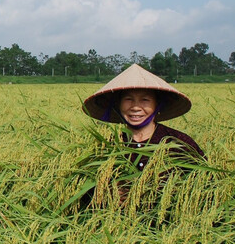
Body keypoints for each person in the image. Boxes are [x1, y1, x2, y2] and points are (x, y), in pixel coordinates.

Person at [82, 64, 204, 203]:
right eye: (128, 99)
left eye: (145, 100)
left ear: (157, 104)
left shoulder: (177, 142)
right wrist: (107, 193)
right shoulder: (108, 146)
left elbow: (206, 182)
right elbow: (84, 193)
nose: (135, 107)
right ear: (118, 104)